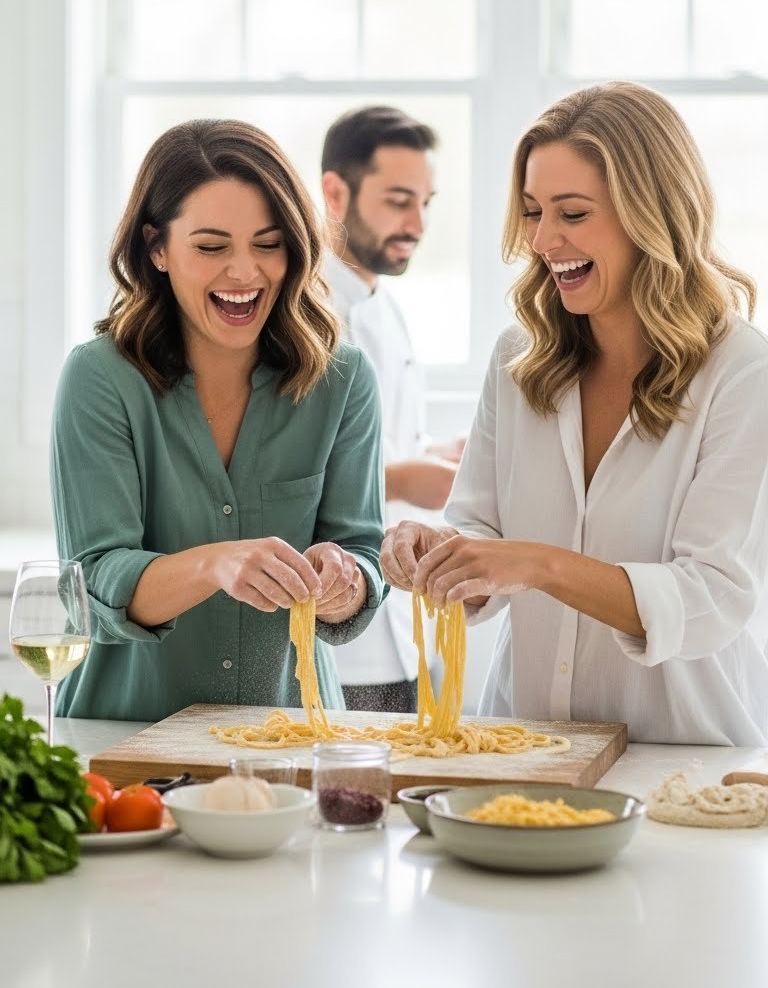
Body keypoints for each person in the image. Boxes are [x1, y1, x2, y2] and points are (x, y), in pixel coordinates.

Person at [381, 82, 768, 745]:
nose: (543, 238)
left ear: (652, 213)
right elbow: (479, 533)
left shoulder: (739, 370)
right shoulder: (517, 359)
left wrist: (539, 563)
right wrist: (437, 554)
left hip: (683, 757)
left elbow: (710, 597)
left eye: (573, 212)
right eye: (533, 211)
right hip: (524, 747)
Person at [51, 118, 387, 722]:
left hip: (294, 742)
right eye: (211, 247)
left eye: (268, 243)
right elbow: (93, 583)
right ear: (156, 248)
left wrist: (346, 583)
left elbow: (361, 552)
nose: (244, 272)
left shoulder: (344, 381)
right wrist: (215, 563)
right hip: (125, 740)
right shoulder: (99, 379)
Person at [321, 105, 463, 713]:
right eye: (399, 200)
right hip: (343, 634)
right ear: (335, 191)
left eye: (426, 202)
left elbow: (383, 441)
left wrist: (437, 454)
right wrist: (411, 479)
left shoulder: (385, 304)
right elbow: (292, 481)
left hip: (406, 621)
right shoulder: (307, 317)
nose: (418, 223)